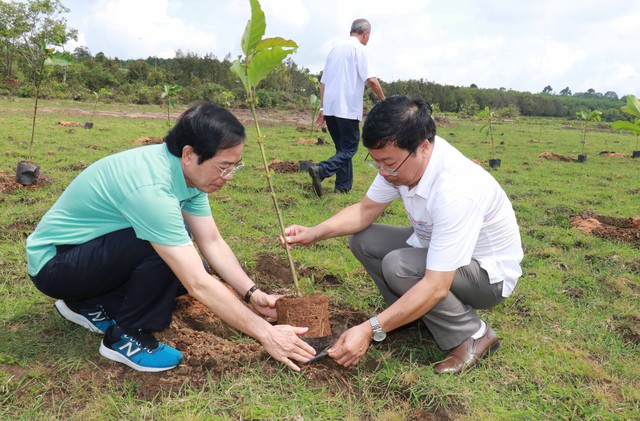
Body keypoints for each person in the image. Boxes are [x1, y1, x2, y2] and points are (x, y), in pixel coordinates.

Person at [26, 102, 316, 373]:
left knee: (183, 263)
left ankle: (84, 302)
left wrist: (252, 294)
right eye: (223, 166)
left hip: (85, 256)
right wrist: (267, 333)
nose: (228, 177)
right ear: (190, 154)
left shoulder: (188, 177)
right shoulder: (152, 187)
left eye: (234, 167)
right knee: (167, 254)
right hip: (55, 265)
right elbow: (197, 283)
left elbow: (211, 240)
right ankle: (126, 336)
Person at [281, 95, 523, 374]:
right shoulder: (401, 163)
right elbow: (365, 210)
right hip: (438, 248)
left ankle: (472, 335)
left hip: (485, 275)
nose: (383, 172)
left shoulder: (456, 190)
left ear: (423, 147)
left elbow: (436, 285)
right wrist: (314, 233)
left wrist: (370, 330)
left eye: (388, 164)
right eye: (376, 163)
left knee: (400, 266)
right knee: (364, 240)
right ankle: (411, 317)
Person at [309, 18, 385, 197]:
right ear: (366, 33)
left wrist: (323, 108)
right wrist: (384, 99)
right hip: (347, 109)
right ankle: (321, 170)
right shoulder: (360, 50)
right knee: (349, 149)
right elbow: (371, 80)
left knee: (342, 150)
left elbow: (323, 83)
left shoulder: (334, 50)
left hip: (331, 107)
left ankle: (342, 188)